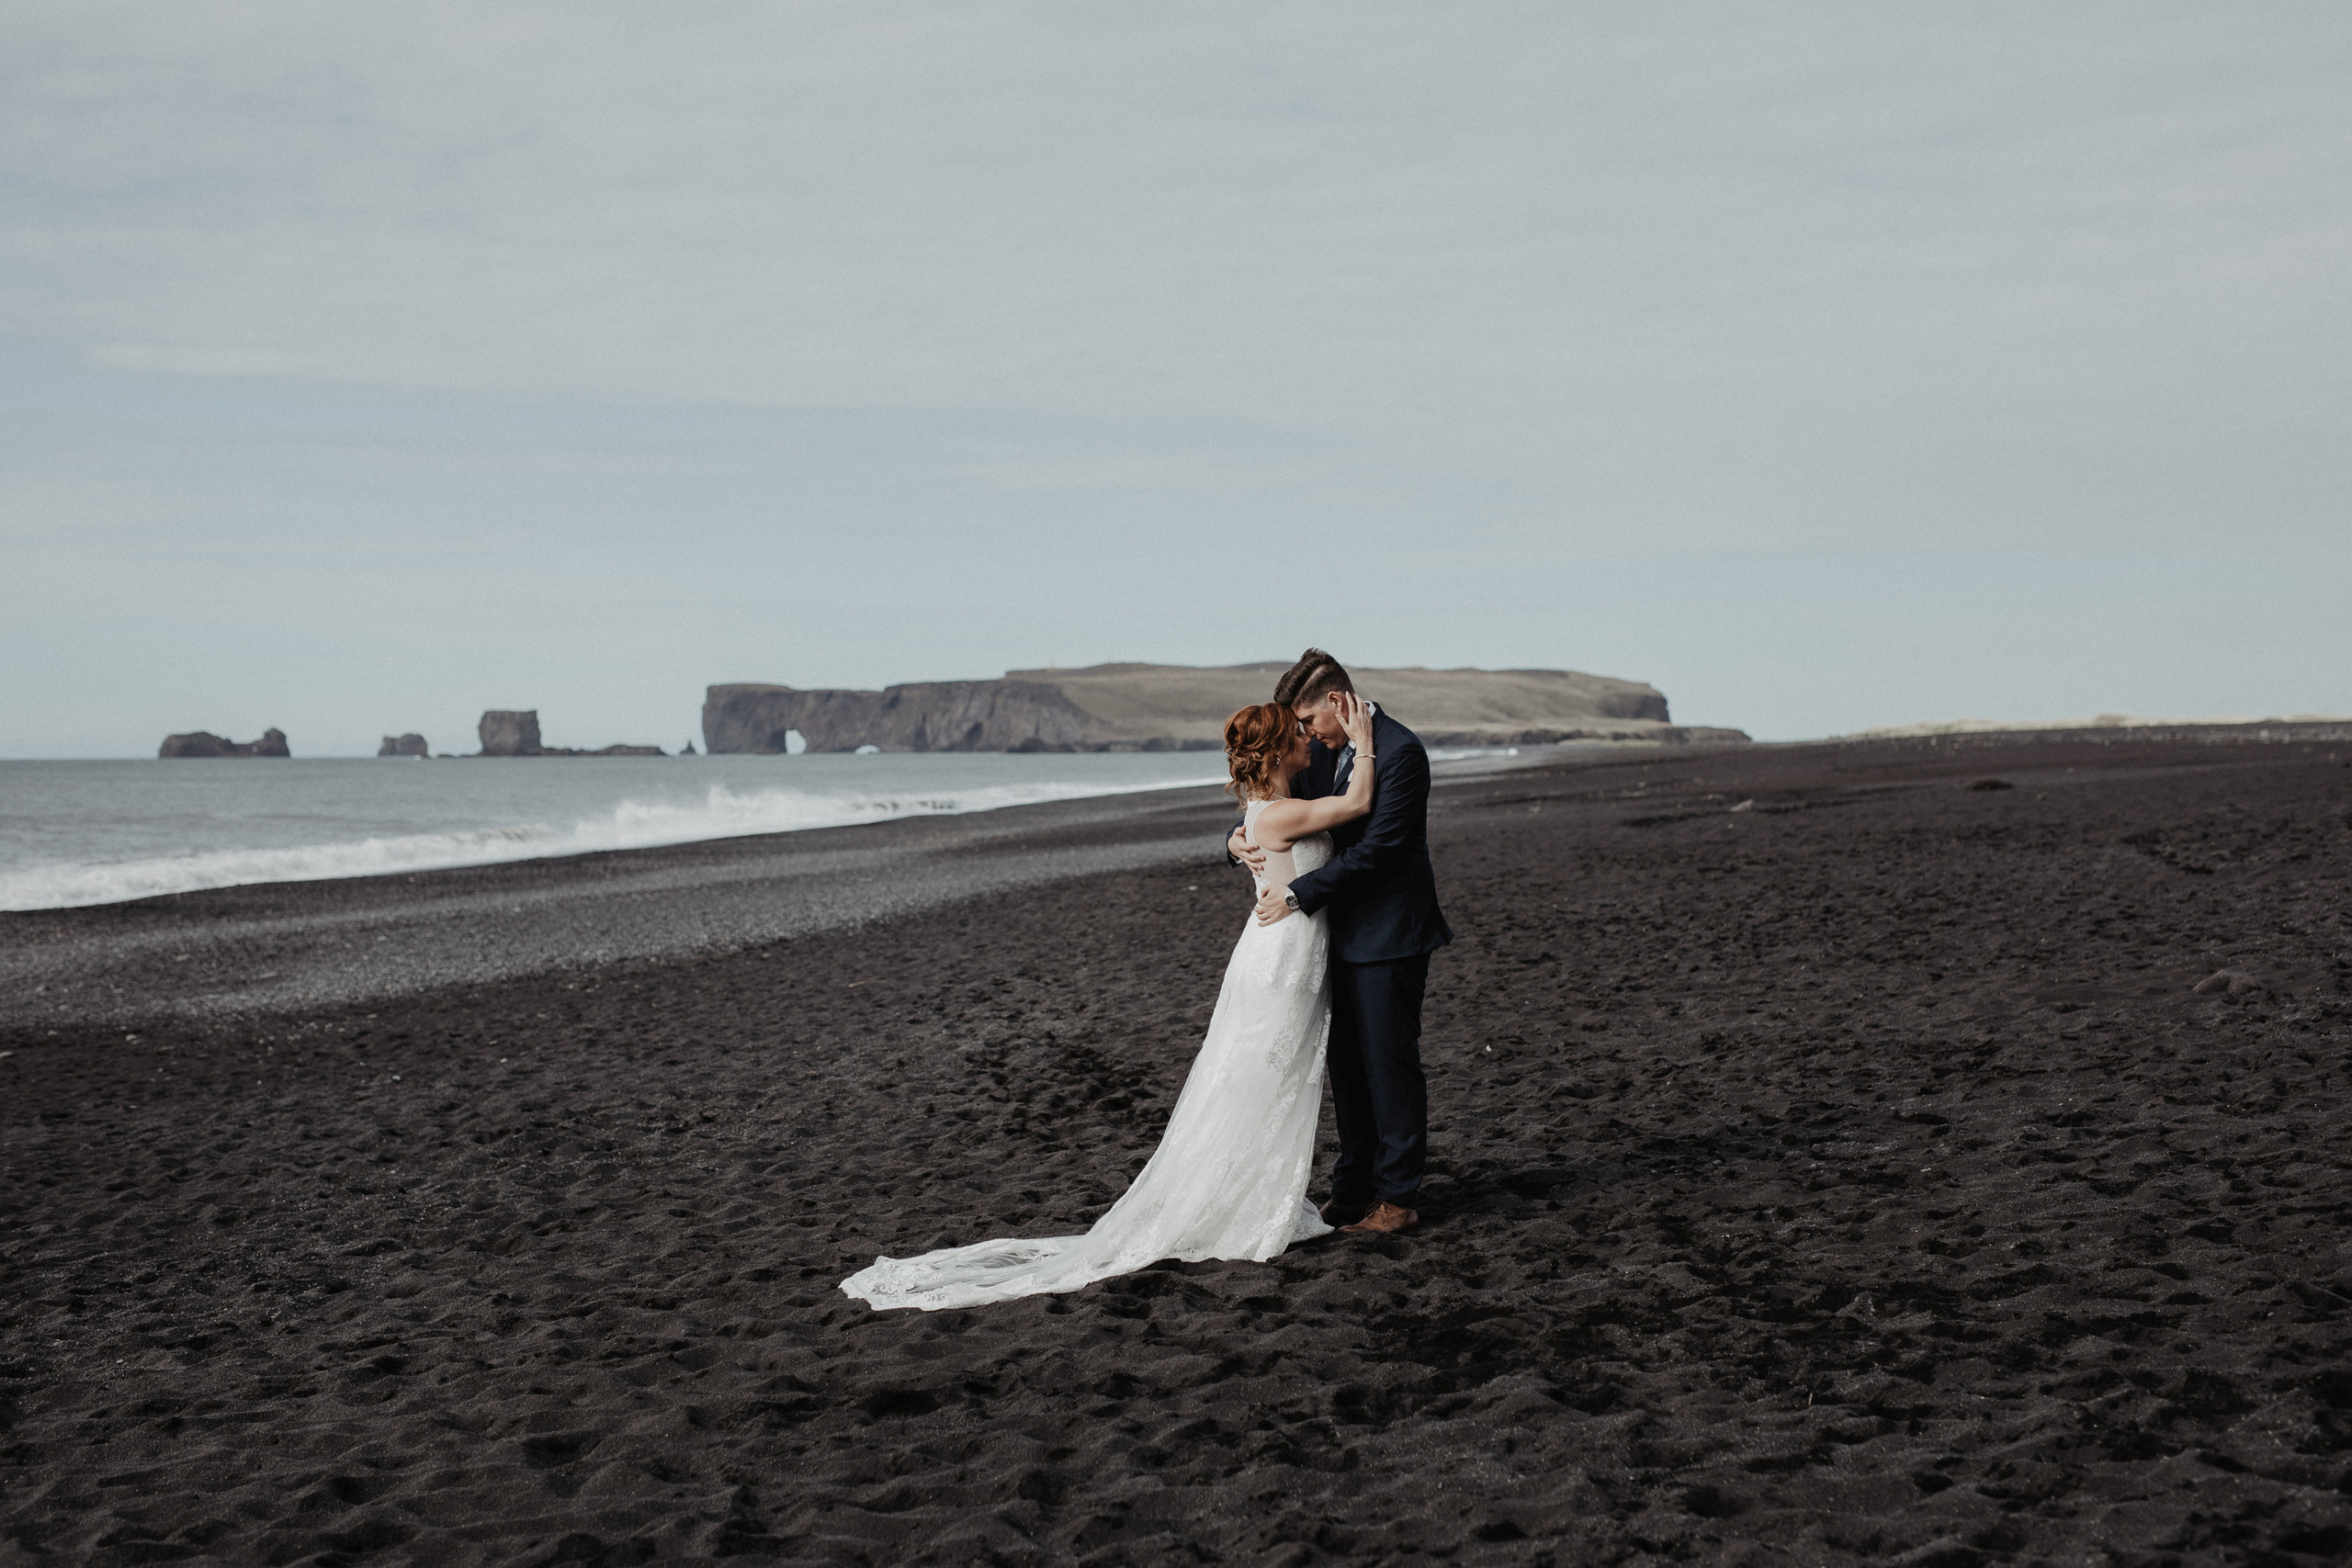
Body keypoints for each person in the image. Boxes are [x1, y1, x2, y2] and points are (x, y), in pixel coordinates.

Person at [840, 692, 1382, 1312]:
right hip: (1279, 963)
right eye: (1298, 733)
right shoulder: (1277, 813)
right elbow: (1357, 802)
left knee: (1264, 1082)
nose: (1309, 739)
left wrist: (1237, 840)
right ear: (1276, 749)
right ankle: (1237, 1203)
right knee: (1254, 1082)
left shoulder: (1270, 809)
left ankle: (1252, 1194)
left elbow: (1276, 827)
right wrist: (1364, 737)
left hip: (1290, 954)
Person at [1229, 649, 1452, 1236]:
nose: (1302, 736)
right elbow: (1273, 805)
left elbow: (1377, 851)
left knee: (1388, 1063)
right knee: (1346, 1067)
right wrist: (1234, 839)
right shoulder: (1316, 752)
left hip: (1387, 934)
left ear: (1335, 702)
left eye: (1306, 722)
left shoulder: (1402, 752)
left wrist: (1299, 894)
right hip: (1329, 938)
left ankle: (1397, 1197)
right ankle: (1353, 1188)